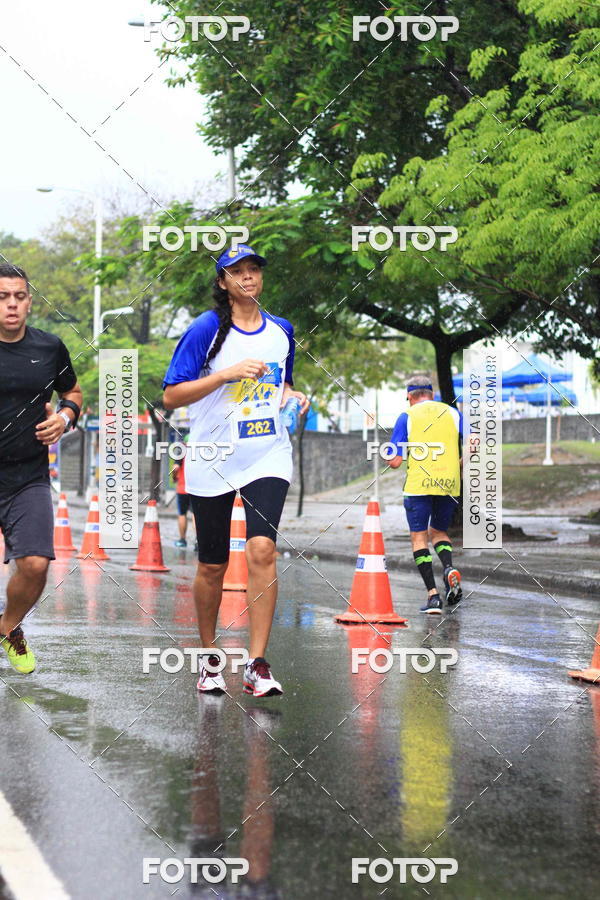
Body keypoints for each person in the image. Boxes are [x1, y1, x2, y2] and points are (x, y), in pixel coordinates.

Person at [162, 244, 309, 697]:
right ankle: (209, 658)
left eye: (254, 270)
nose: (248, 277)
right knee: (213, 564)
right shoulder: (206, 329)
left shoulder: (281, 330)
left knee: (262, 550)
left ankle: (257, 663)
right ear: (223, 282)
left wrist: (293, 396)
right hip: (213, 456)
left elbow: (280, 384)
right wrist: (225, 375)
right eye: (237, 272)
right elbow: (171, 395)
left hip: (267, 452)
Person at [0, 264, 82, 671]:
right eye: (2, 297)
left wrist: (64, 418)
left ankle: (8, 627)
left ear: (30, 301)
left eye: (19, 296)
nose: (11, 305)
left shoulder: (49, 348)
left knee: (35, 565)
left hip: (27, 477)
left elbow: (73, 392)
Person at [386, 374, 463, 614]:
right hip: (449, 483)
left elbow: (396, 462)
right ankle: (449, 568)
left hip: (419, 486)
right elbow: (474, 442)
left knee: (419, 538)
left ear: (409, 396)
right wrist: (458, 463)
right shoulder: (453, 413)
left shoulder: (406, 416)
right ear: (431, 394)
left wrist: (388, 455)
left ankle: (433, 597)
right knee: (439, 532)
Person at [172, 438, 197, 550]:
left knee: (182, 514)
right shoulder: (200, 449)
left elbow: (175, 468)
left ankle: (182, 540)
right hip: (196, 488)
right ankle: (198, 541)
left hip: (182, 488)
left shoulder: (181, 449)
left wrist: (174, 478)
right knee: (195, 515)